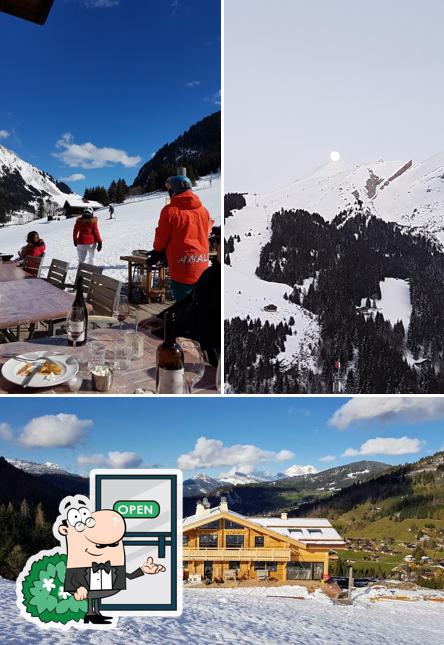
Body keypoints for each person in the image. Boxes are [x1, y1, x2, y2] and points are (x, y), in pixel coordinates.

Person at [58, 496, 165, 625]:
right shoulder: (77, 567)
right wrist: (77, 589)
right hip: (85, 589)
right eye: (100, 545)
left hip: (101, 586)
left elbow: (128, 576)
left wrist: (142, 570)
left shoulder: (113, 567)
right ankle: (90, 614)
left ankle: (95, 614)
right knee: (92, 596)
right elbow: (72, 580)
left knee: (96, 597)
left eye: (114, 544)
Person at [140, 226, 221, 366]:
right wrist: (163, 319)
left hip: (201, 364)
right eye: (217, 241)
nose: (217, 246)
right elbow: (187, 303)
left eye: (220, 242)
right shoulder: (211, 273)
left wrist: (205, 353)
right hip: (181, 347)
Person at [149, 175, 213, 302]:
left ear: (173, 191)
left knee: (184, 308)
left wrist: (158, 251)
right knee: (199, 305)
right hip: (202, 265)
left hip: (181, 266)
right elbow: (206, 231)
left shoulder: (170, 211)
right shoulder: (203, 210)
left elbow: (161, 239)